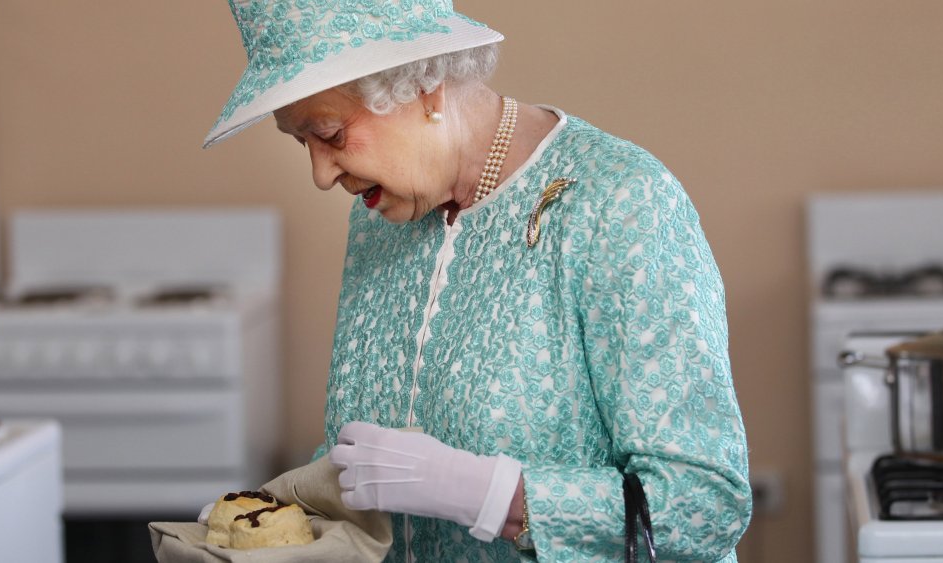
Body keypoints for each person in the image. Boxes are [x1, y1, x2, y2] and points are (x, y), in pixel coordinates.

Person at [205, 1, 752, 561]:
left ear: (426, 88)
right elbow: (373, 460)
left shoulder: (620, 203)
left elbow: (705, 507)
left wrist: (494, 496)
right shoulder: (378, 219)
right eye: (303, 143)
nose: (321, 175)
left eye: (331, 134)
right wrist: (281, 512)